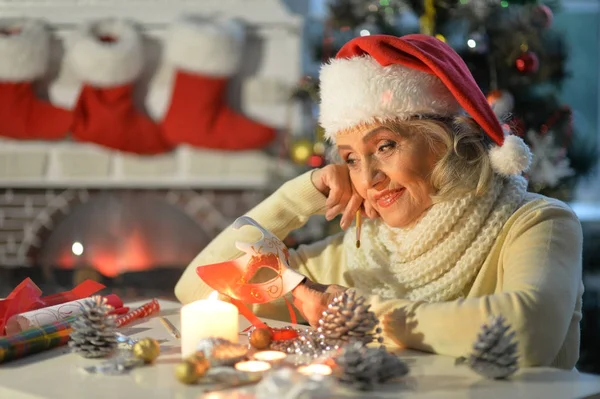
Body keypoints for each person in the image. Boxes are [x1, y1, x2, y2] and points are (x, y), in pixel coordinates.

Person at [175, 34, 583, 370]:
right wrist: (304, 192)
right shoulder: (357, 249)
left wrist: (356, 314)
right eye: (350, 159)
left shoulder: (537, 222)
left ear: (444, 142)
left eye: (385, 146)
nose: (368, 179)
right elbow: (197, 289)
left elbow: (527, 333)